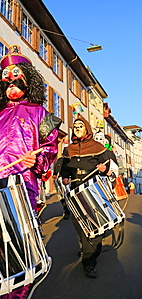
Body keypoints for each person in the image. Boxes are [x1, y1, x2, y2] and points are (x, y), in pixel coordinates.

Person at [0, 45, 61, 298]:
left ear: (27, 83)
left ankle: (19, 291)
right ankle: (5, 285)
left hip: (22, 186)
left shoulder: (40, 114)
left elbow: (50, 148)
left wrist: (36, 160)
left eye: (16, 83)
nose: (12, 88)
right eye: (7, 85)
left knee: (19, 240)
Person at [56, 114, 115, 279]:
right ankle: (86, 244)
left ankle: (89, 261)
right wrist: (65, 176)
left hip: (93, 188)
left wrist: (105, 168)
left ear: (87, 129)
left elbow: (110, 162)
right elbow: (65, 166)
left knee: (93, 224)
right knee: (79, 223)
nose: (77, 129)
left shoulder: (97, 146)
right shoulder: (69, 149)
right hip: (75, 190)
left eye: (80, 126)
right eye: (75, 127)